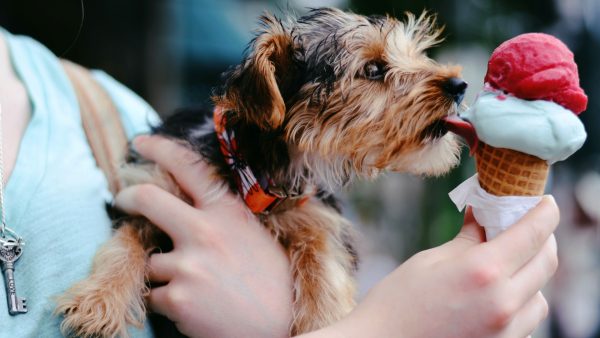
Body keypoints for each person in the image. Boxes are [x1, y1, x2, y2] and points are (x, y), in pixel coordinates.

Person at [1, 27, 559, 337]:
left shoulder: (105, 112)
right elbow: (134, 224)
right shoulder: (164, 149)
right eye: (373, 72)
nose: (447, 81)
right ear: (275, 95)